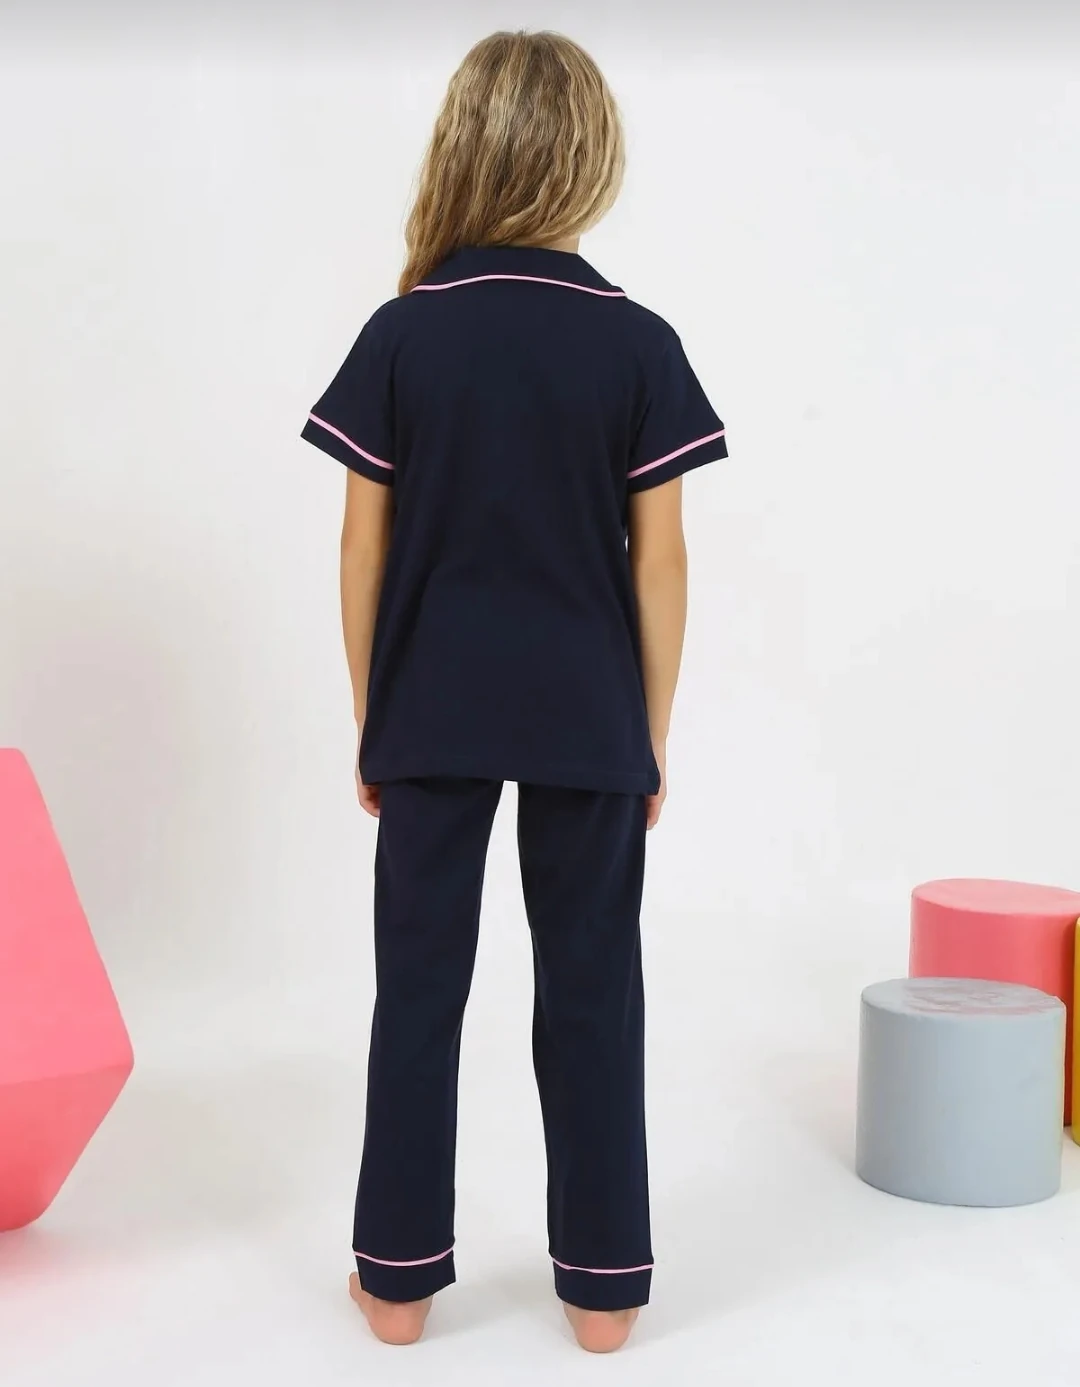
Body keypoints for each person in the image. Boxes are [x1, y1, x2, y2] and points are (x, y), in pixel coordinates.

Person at [301, 29, 727, 1355]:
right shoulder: (637, 344)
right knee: (593, 990)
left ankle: (395, 1284)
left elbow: (361, 547)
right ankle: (604, 1292)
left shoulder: (403, 335)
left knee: (417, 991)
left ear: (463, 146)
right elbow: (662, 559)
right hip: (589, 711)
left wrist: (372, 716)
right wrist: (648, 734)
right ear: (589, 158)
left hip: (429, 707)